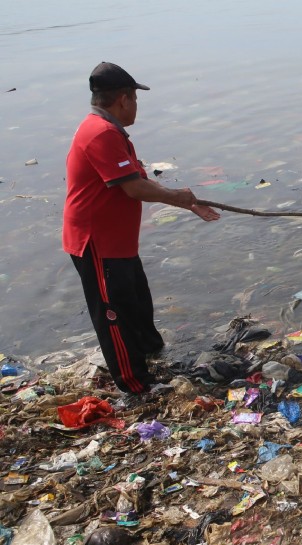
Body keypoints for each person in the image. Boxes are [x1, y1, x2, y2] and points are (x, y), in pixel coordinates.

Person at [63, 62, 220, 394]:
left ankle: (152, 355)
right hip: (97, 243)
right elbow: (134, 188)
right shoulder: (101, 133)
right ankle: (136, 386)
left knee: (136, 303)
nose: (136, 105)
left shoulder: (111, 131)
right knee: (113, 314)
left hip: (118, 242)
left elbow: (137, 181)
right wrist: (179, 198)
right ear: (123, 99)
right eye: (135, 98)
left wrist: (188, 202)